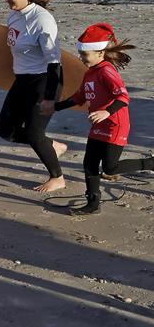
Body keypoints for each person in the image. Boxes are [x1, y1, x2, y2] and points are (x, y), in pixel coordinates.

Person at [50, 23, 152, 215]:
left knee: (110, 168)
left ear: (100, 53)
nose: (81, 57)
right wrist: (55, 107)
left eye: (85, 54)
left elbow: (123, 96)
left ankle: (150, 164)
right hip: (98, 125)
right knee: (89, 163)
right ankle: (93, 203)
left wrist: (106, 112)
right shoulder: (90, 73)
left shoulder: (107, 71)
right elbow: (79, 98)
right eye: (80, 53)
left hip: (115, 125)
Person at [0, 0, 67, 193]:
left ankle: (57, 177)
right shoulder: (14, 15)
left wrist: (50, 97)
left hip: (44, 80)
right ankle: (53, 145)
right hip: (22, 79)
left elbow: (54, 62)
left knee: (34, 133)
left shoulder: (42, 20)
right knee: (6, 131)